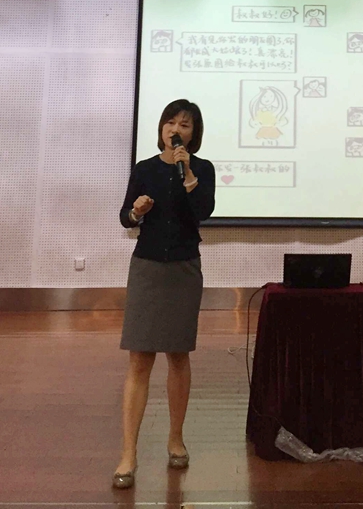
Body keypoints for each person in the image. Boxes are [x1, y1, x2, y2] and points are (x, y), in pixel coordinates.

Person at [112, 99, 216, 489]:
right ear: (160, 128)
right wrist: (136, 212)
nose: (176, 129)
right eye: (171, 122)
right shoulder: (144, 169)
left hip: (184, 269)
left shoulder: (202, 169)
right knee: (139, 360)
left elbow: (203, 211)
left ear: (194, 134)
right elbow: (125, 217)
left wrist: (188, 174)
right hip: (147, 268)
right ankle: (128, 454)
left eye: (185, 125)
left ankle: (175, 438)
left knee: (178, 355)